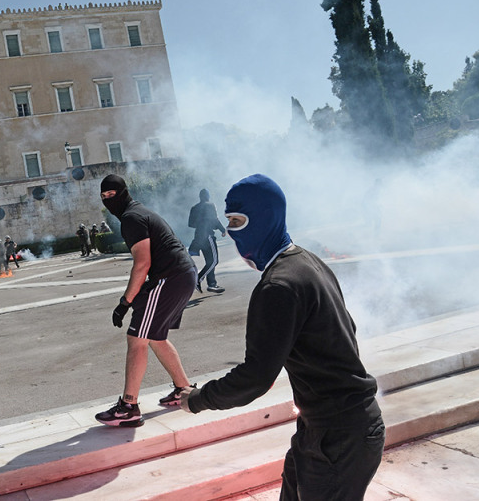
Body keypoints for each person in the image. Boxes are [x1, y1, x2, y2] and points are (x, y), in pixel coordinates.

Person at [180, 174, 384, 500]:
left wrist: (197, 399)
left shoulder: (278, 286)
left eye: (239, 221)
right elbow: (348, 331)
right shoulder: (307, 261)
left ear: (266, 217)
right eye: (229, 221)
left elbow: (256, 377)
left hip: (339, 437)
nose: (232, 232)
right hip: (328, 429)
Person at [95, 174, 198, 427]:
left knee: (136, 338)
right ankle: (184, 390)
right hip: (182, 273)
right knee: (154, 337)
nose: (109, 200)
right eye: (104, 197)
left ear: (124, 193)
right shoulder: (138, 212)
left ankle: (129, 406)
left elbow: (143, 263)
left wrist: (125, 302)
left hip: (170, 277)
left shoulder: (131, 218)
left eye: (112, 195)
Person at [187, 188, 227, 293]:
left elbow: (190, 224)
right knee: (214, 261)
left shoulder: (194, 208)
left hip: (198, 237)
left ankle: (212, 284)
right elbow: (215, 219)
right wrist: (223, 230)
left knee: (209, 261)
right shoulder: (210, 205)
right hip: (208, 236)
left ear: (200, 197)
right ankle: (198, 279)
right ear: (208, 196)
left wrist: (201, 223)